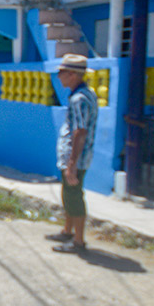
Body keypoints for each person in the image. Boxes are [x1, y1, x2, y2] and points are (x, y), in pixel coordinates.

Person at [48, 52, 98, 253]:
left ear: (73, 75)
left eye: (62, 73)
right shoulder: (85, 95)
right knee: (69, 194)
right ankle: (68, 231)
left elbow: (80, 131)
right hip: (73, 156)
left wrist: (72, 164)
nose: (59, 77)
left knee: (74, 195)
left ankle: (78, 241)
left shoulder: (79, 99)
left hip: (75, 157)